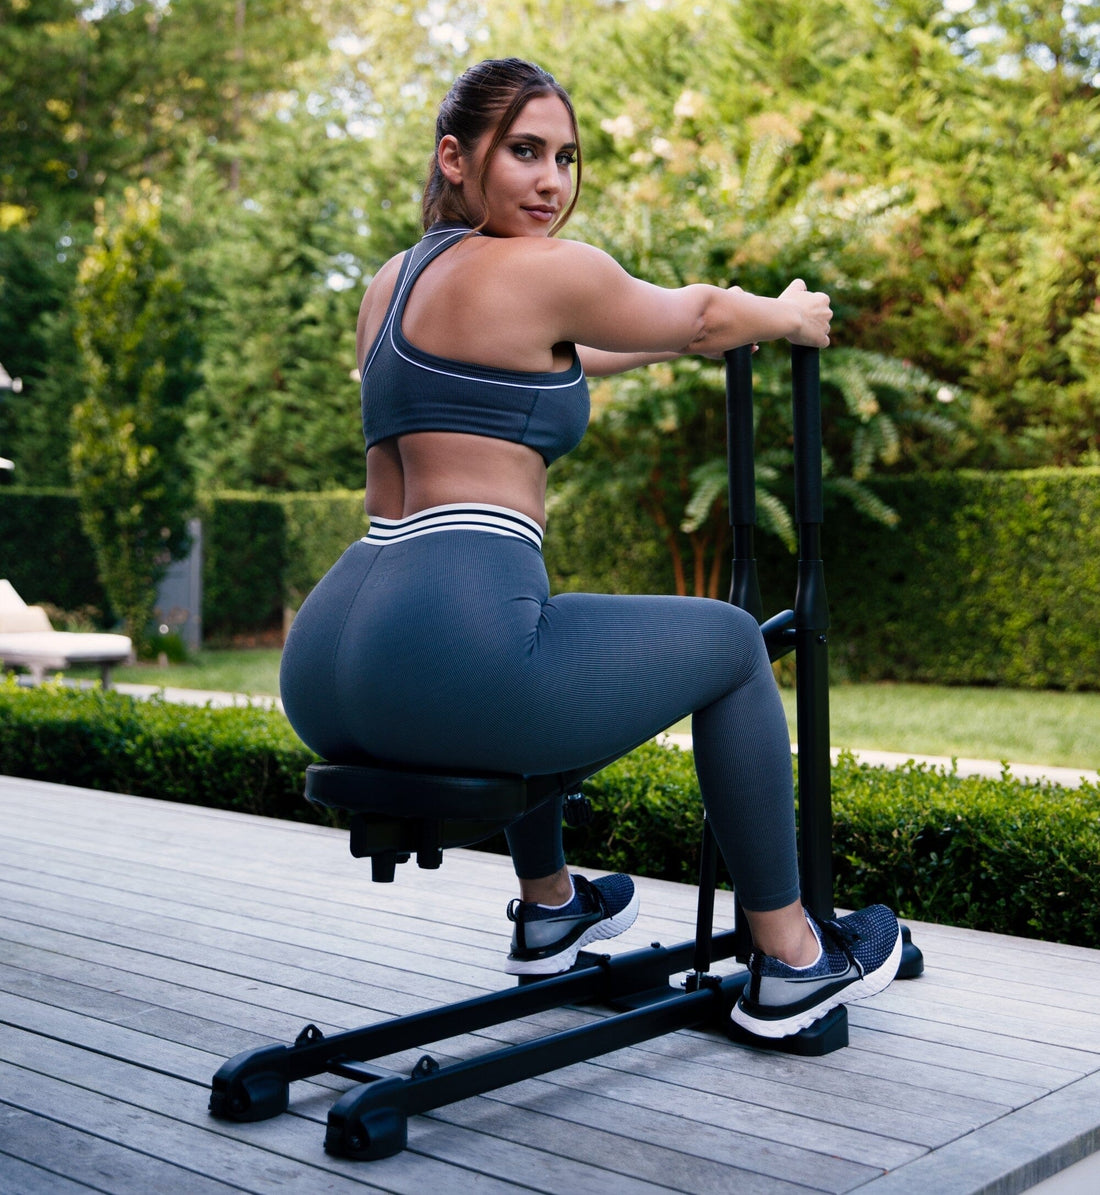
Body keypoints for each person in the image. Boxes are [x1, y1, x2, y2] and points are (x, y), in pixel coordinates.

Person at [280, 57, 901, 1039]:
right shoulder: (543, 271)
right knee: (732, 643)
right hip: (454, 650)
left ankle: (550, 903)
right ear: (455, 156)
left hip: (329, 665)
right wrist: (784, 315)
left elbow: (591, 345)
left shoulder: (391, 284)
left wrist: (686, 338)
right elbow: (693, 313)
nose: (550, 180)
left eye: (566, 157)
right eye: (523, 151)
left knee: (537, 627)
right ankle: (790, 957)